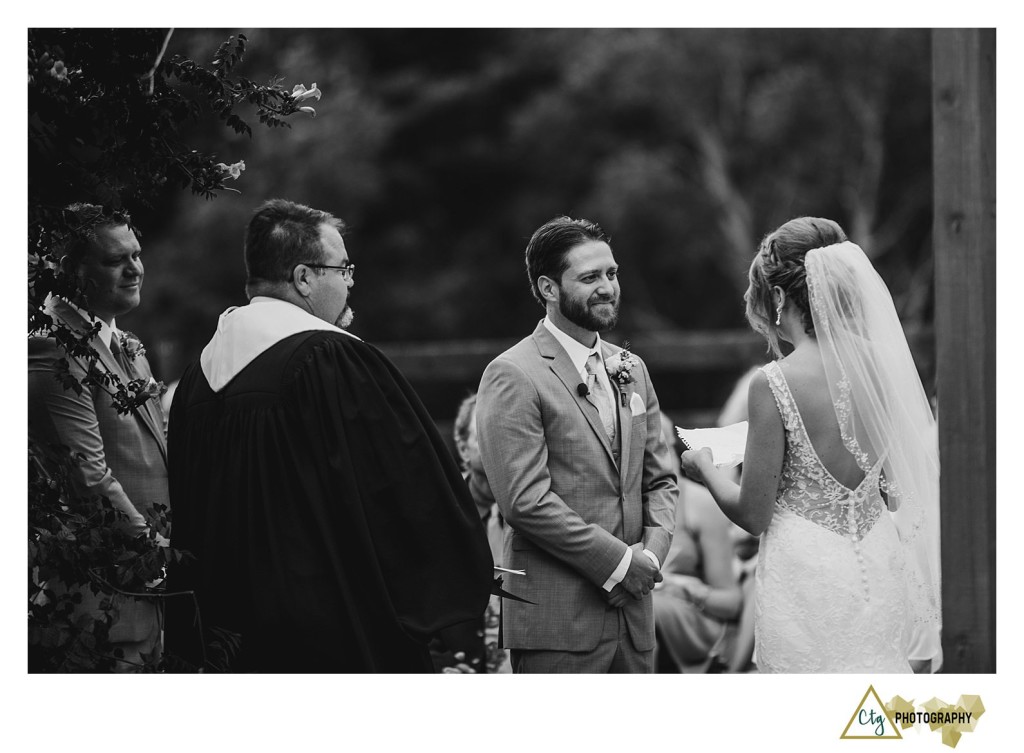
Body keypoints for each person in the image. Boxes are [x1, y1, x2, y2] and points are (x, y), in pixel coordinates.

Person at [165, 199, 493, 672]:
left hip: (225, 641)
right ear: (303, 278)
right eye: (343, 269)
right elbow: (403, 492)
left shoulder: (198, 381)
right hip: (328, 636)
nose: (351, 282)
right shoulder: (331, 362)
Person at [680, 216, 941, 673]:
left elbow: (753, 515)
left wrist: (704, 465)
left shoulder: (773, 382)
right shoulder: (883, 365)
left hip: (805, 569)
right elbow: (898, 490)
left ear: (780, 296)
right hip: (877, 557)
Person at [476, 215, 677, 673]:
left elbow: (660, 479)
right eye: (589, 278)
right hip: (559, 621)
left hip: (634, 619)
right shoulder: (513, 373)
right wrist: (620, 564)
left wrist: (649, 556)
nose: (607, 288)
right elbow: (525, 501)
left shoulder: (632, 368)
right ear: (548, 288)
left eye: (612, 273)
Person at [28, 203, 168, 670]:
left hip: (148, 605)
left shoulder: (125, 344)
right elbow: (87, 479)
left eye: (137, 255)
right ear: (73, 270)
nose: (135, 269)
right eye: (115, 260)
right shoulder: (51, 345)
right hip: (98, 610)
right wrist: (157, 558)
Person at [653, 413, 742, 673]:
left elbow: (730, 601)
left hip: (690, 619)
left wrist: (683, 588)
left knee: (644, 611)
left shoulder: (699, 503)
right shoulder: (617, 502)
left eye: (661, 449)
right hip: (635, 614)